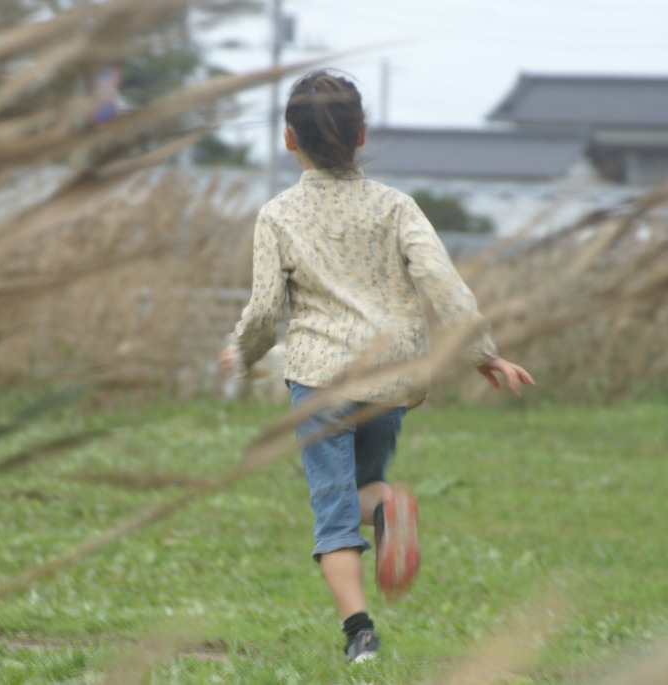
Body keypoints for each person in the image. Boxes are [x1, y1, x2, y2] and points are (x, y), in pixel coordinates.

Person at [220, 69, 534, 664]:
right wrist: (482, 353)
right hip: (392, 379)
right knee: (364, 490)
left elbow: (264, 309)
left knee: (332, 509)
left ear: (289, 139)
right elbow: (444, 283)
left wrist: (243, 352)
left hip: (320, 380)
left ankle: (359, 633)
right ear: (362, 134)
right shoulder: (397, 207)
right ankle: (389, 507)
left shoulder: (278, 215)